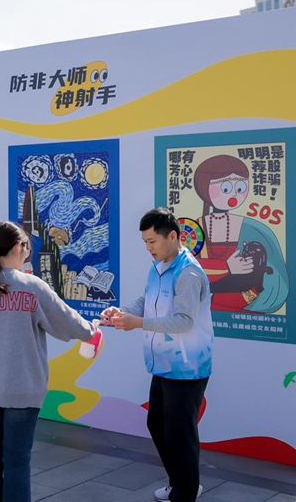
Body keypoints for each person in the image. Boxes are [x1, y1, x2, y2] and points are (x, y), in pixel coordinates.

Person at [0, 221, 97, 502]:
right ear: (18, 247)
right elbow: (69, 323)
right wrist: (92, 330)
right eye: (27, 247)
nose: (27, 252)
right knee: (17, 462)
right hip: (23, 390)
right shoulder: (31, 286)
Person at [101, 208, 213, 502]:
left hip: (187, 367)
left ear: (172, 236)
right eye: (145, 242)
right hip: (164, 363)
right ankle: (182, 483)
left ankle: (185, 492)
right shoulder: (160, 265)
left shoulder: (188, 273)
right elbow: (147, 299)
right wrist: (122, 312)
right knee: (158, 424)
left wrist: (137, 323)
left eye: (152, 241)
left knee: (179, 432)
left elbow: (184, 322)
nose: (148, 248)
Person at [191, 155, 287, 312]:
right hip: (206, 297)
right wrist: (227, 267)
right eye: (226, 188)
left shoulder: (251, 228)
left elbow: (271, 271)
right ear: (204, 188)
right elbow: (188, 266)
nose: (234, 194)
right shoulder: (195, 228)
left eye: (240, 188)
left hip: (242, 296)